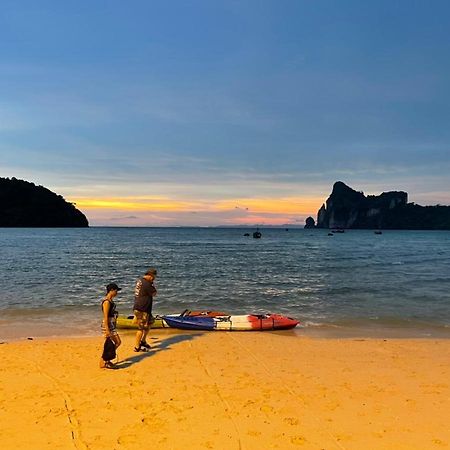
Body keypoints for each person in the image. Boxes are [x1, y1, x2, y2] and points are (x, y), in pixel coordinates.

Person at [133, 268, 157, 352]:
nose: (154, 279)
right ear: (151, 275)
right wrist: (152, 285)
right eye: (154, 277)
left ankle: (143, 340)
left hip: (144, 308)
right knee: (141, 327)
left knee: (150, 322)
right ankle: (137, 346)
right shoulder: (147, 283)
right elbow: (154, 293)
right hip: (141, 308)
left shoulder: (141, 281)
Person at [99, 282, 122, 369]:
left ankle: (106, 360)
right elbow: (105, 316)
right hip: (107, 325)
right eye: (116, 291)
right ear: (111, 290)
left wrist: (115, 313)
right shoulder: (107, 302)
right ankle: (104, 360)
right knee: (116, 342)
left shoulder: (111, 301)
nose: (117, 293)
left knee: (113, 344)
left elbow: (109, 313)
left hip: (111, 324)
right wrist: (108, 329)